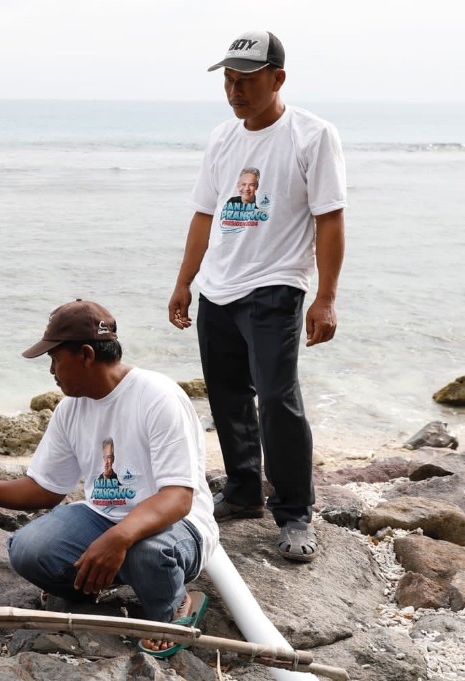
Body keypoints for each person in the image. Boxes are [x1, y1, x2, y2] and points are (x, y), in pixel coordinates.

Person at [0, 299, 218, 657]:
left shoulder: (157, 396)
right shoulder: (70, 408)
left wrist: (118, 538)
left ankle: (175, 605)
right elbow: (44, 489)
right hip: (103, 518)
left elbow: (178, 498)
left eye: (55, 359)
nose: (52, 370)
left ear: (86, 354)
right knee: (28, 550)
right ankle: (98, 582)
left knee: (146, 552)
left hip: (177, 527)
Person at [167, 30, 346, 562]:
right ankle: (244, 491)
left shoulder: (312, 135)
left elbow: (330, 218)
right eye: (228, 80)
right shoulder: (223, 138)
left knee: (276, 399)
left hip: (277, 284)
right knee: (226, 397)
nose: (235, 90)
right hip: (219, 286)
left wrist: (326, 297)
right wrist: (185, 281)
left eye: (246, 80)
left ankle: (294, 513)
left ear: (278, 78)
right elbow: (205, 214)